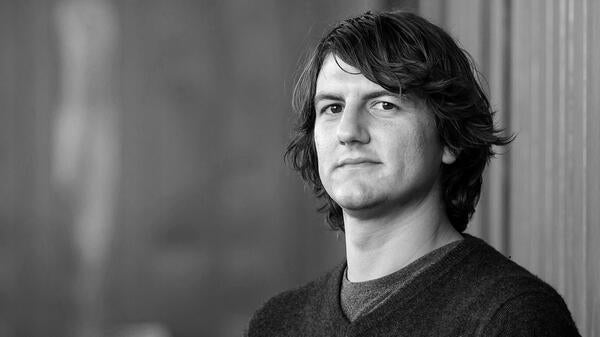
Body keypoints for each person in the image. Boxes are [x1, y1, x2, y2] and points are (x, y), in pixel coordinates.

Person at [246, 11, 580, 336]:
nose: (348, 131)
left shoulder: (512, 318)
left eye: (384, 104)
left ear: (448, 138)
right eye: (332, 108)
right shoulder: (277, 323)